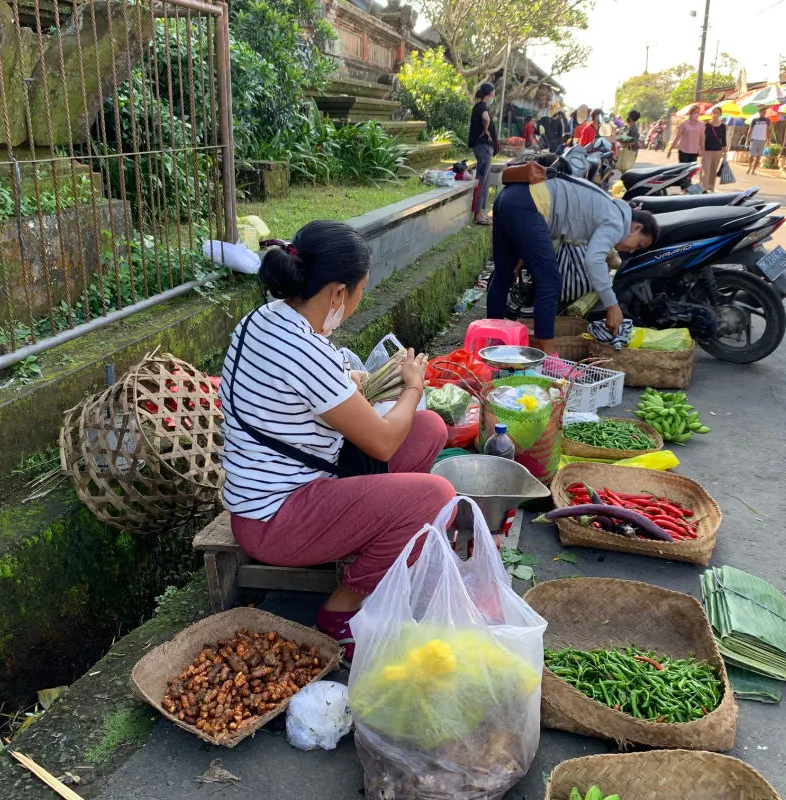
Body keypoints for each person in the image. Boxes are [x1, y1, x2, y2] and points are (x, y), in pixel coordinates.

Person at [219, 220, 455, 661]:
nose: (359, 300)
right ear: (338, 293)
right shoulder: (304, 351)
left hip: (286, 487)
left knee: (430, 429)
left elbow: (292, 388)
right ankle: (340, 612)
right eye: (362, 290)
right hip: (275, 520)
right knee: (436, 495)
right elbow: (383, 443)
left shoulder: (265, 319)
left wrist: (347, 381)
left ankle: (374, 539)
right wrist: (413, 387)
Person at [487, 175, 658, 353]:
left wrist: (521, 255)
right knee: (551, 281)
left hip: (508, 196)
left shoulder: (608, 207)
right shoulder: (617, 221)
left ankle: (492, 345)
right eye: (638, 245)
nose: (632, 250)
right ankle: (549, 357)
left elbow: (554, 222)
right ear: (636, 228)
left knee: (504, 275)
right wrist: (612, 305)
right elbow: (594, 260)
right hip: (529, 203)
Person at [468, 82, 497, 225]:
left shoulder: (481, 107)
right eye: (493, 93)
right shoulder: (481, 107)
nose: (494, 96)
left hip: (485, 149)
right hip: (483, 148)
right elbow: (486, 118)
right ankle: (477, 215)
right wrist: (486, 130)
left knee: (485, 181)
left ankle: (481, 213)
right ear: (490, 93)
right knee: (481, 180)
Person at [702, 106, 728, 191]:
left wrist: (724, 150)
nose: (715, 114)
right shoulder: (706, 125)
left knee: (713, 170)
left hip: (717, 150)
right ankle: (704, 187)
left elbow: (723, 139)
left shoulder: (723, 126)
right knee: (706, 170)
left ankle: (711, 187)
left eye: (717, 112)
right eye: (714, 112)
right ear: (711, 114)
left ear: (720, 114)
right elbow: (702, 138)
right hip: (706, 150)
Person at [746, 106, 771, 176]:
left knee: (758, 156)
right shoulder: (754, 120)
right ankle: (749, 167)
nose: (764, 113)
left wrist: (768, 139)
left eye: (765, 112)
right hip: (754, 139)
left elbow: (768, 130)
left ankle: (753, 170)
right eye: (762, 112)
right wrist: (747, 140)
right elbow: (750, 130)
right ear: (759, 112)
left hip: (762, 140)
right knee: (751, 155)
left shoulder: (767, 120)